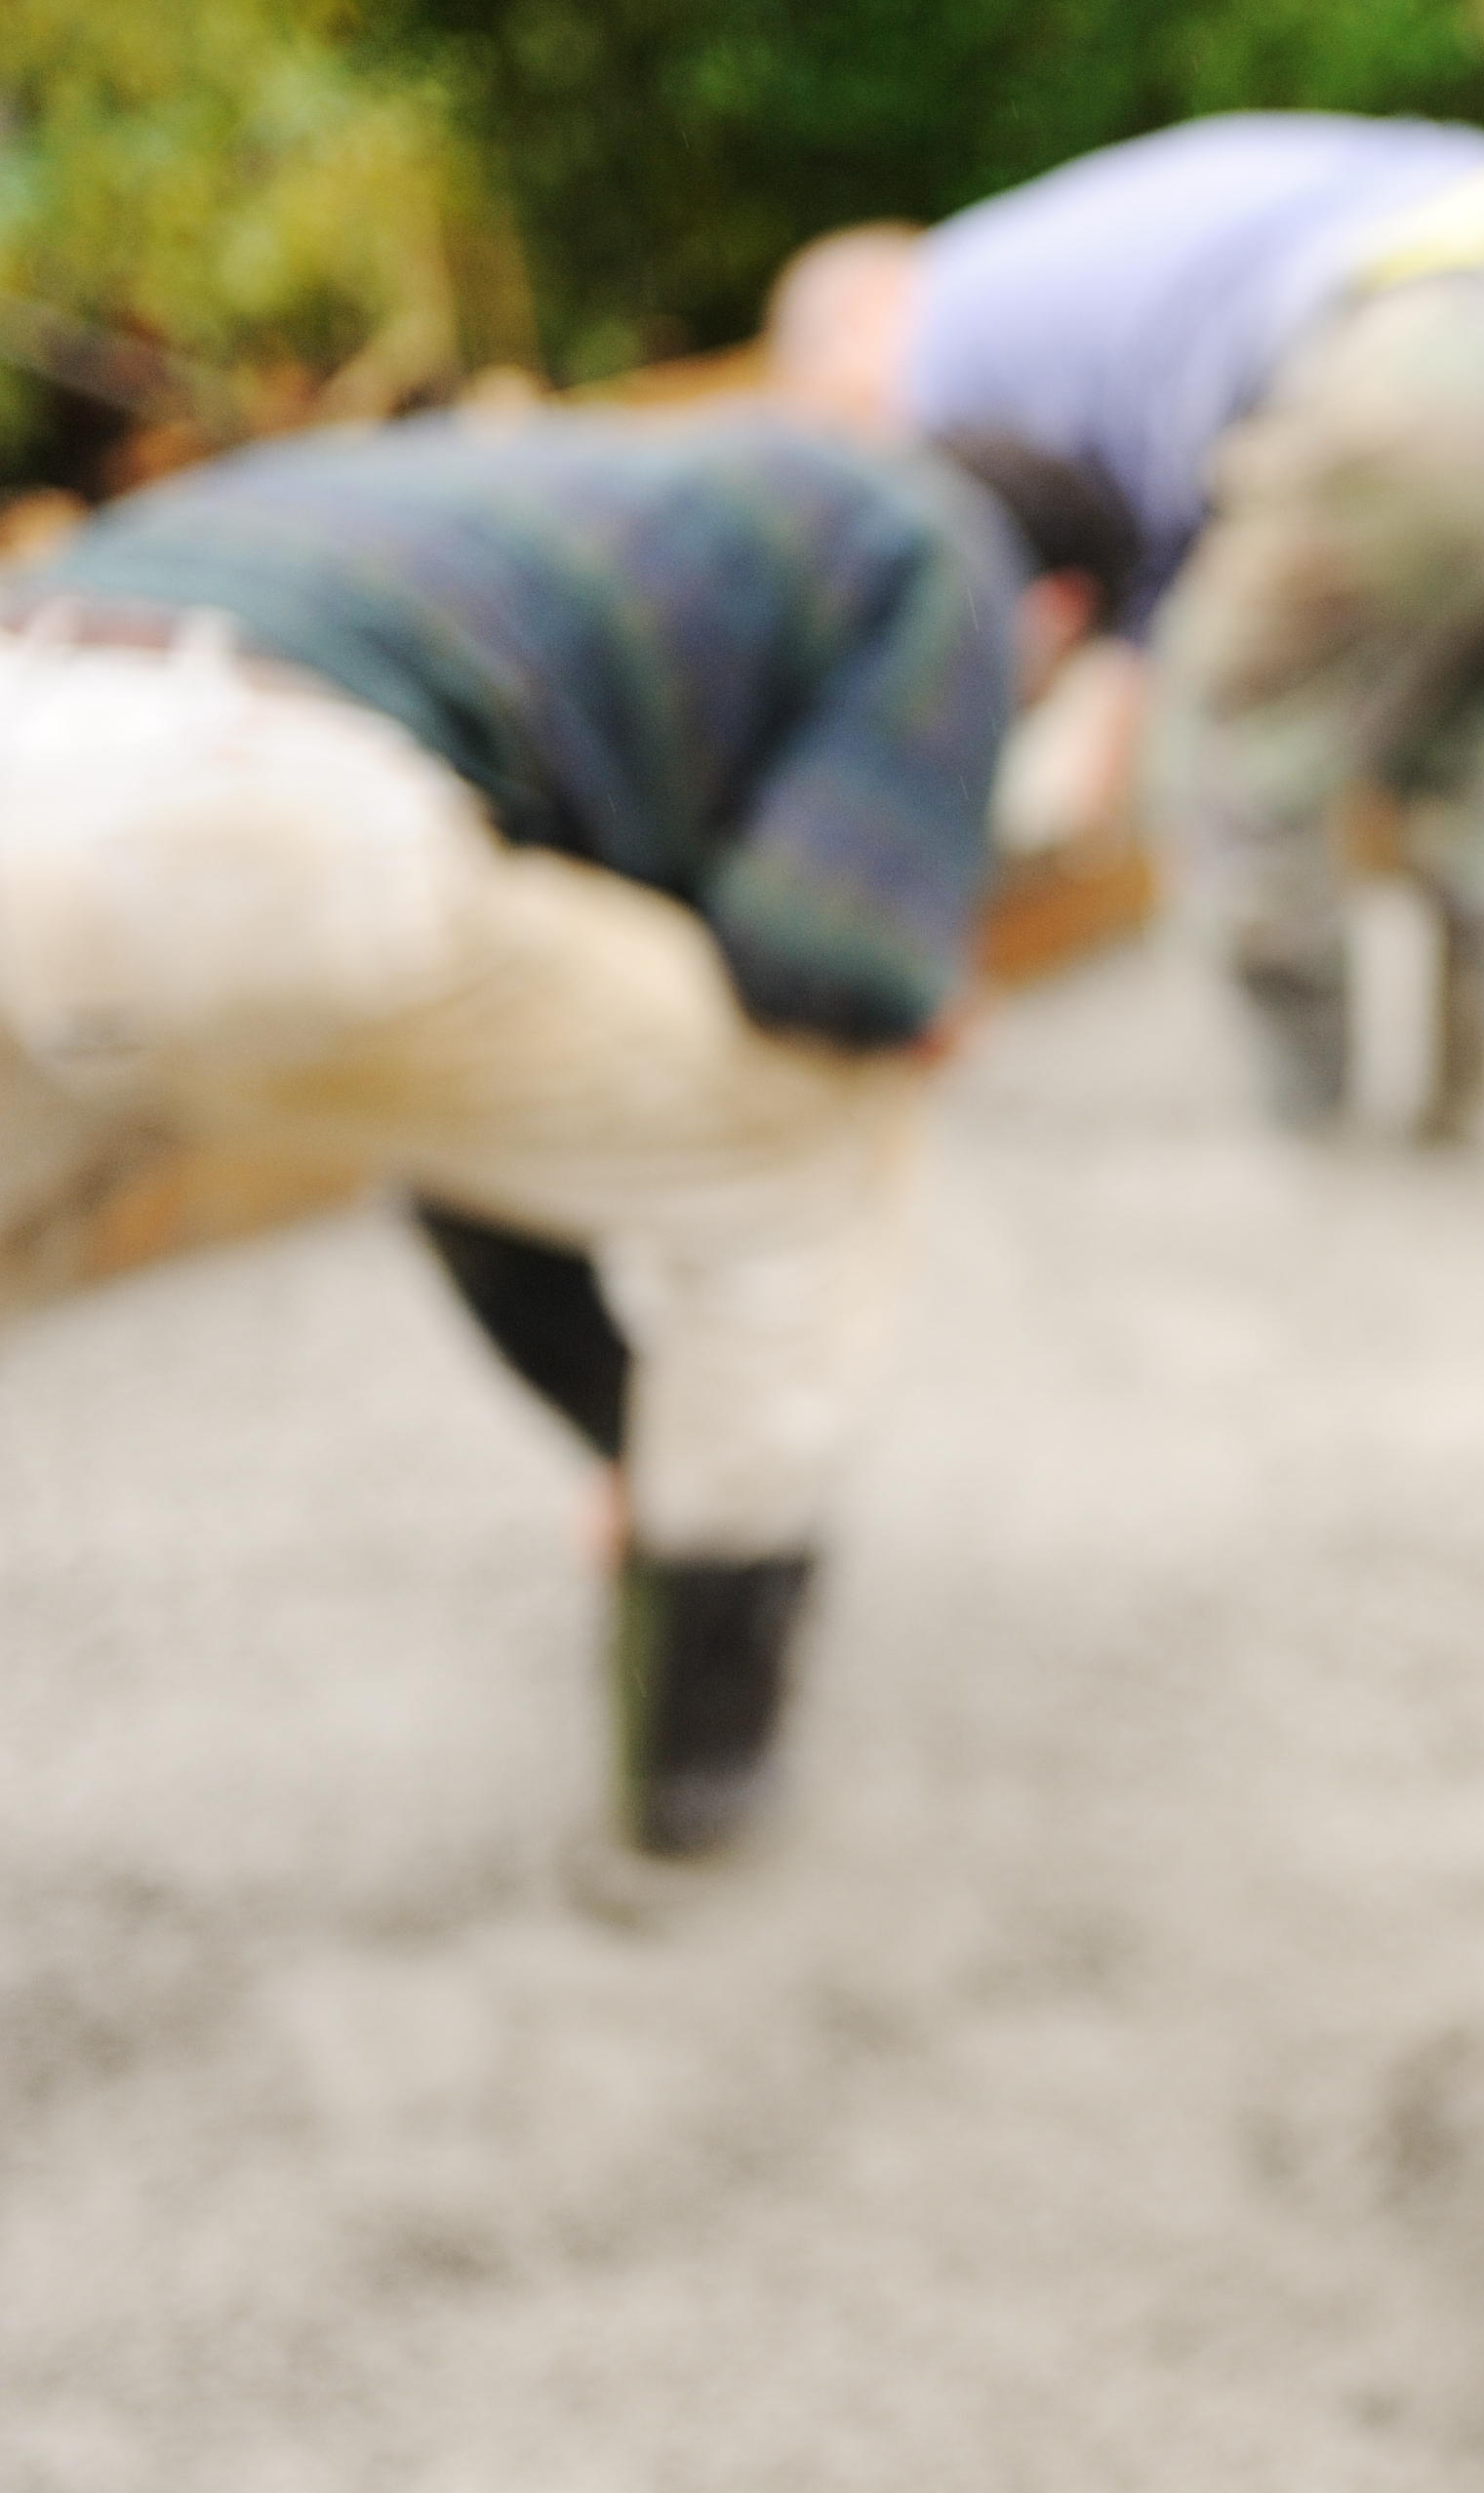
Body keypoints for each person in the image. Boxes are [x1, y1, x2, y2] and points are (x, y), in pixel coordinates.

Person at [0, 409, 1137, 1859]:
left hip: (63, 701)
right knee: (813, 1127)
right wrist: (916, 991)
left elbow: (509, 1129)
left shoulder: (600, 499)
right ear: (1057, 615)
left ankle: (637, 1477)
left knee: (511, 1084)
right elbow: (822, 963)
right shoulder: (941, 542)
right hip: (247, 798)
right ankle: (703, 1727)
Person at [767, 114, 1484, 1138]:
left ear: (859, 318)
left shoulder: (939, 344)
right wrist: (1103, 790)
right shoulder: (1068, 270)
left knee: (1232, 753)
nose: (863, 442)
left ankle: (1313, 1119)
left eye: (833, 407)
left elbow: (968, 636)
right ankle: (1463, 1087)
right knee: (1443, 729)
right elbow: (1159, 570)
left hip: (1443, 360)